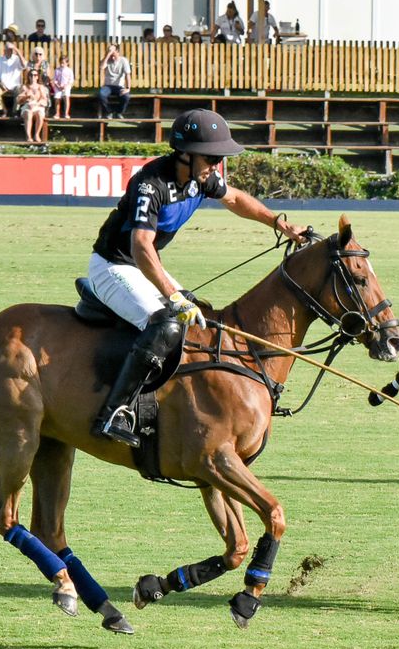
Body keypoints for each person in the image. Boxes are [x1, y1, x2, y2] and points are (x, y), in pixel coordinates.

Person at [87, 108, 308, 445]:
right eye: (211, 157)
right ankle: (115, 412)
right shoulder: (152, 184)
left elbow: (235, 198)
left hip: (143, 266)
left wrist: (279, 223)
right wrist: (172, 295)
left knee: (198, 318)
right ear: (185, 153)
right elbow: (141, 246)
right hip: (114, 265)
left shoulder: (201, 179)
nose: (216, 165)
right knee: (164, 324)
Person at [0, 41, 24, 116]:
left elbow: (24, 65)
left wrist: (16, 50)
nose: (9, 51)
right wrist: (0, 83)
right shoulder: (0, 60)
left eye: (11, 49)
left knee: (20, 91)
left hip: (15, 85)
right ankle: (3, 110)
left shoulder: (17, 58)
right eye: (8, 49)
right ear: (4, 50)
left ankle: (15, 112)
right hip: (3, 86)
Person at [17, 68, 50, 143]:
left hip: (38, 106)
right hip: (27, 106)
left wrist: (37, 103)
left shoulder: (41, 87)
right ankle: (28, 136)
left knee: (40, 113)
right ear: (28, 77)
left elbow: (45, 100)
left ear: (37, 77)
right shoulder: (24, 87)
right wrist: (26, 97)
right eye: (31, 75)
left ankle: (37, 134)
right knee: (28, 113)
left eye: (35, 75)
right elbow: (19, 101)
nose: (33, 77)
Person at [99, 44, 131, 119]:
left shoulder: (124, 60)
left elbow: (127, 75)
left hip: (119, 86)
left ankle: (119, 112)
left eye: (114, 54)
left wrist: (128, 88)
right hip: (108, 85)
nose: (112, 57)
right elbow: (102, 67)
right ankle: (109, 112)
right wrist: (108, 55)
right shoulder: (107, 59)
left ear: (118, 52)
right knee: (101, 95)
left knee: (126, 97)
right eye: (111, 54)